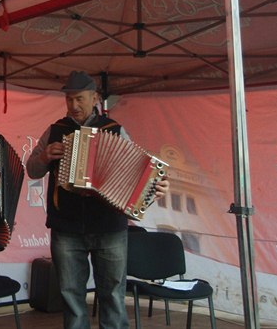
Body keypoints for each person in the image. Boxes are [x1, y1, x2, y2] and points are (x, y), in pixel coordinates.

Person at [25, 71, 169, 329]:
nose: (74, 105)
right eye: (69, 100)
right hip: (66, 227)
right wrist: (45, 156)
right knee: (71, 297)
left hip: (109, 227)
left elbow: (137, 171)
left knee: (113, 295)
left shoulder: (114, 130)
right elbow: (32, 170)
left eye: (79, 99)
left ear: (95, 98)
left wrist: (153, 186)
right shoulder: (56, 130)